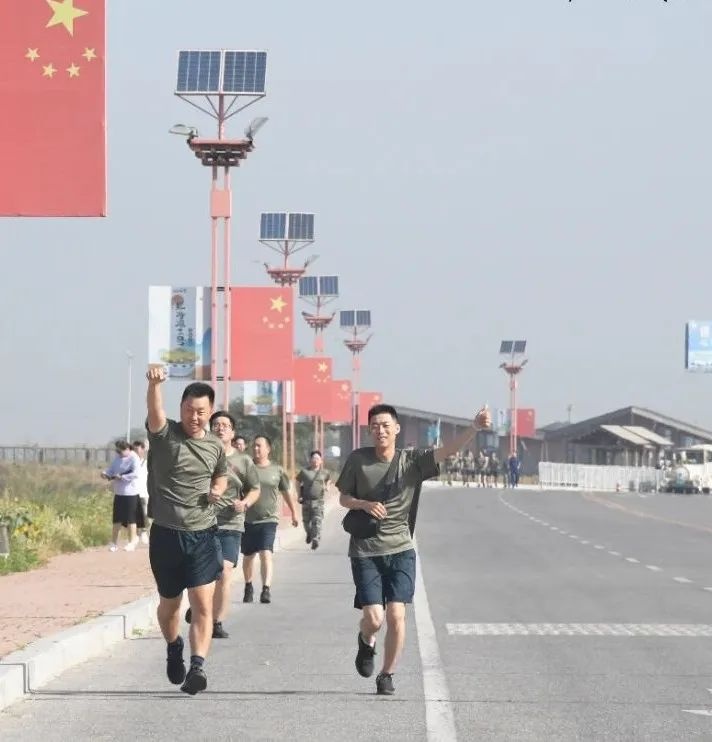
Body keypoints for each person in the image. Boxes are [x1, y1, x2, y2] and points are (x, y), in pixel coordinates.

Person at [337, 403, 491, 696]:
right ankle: (366, 639)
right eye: (375, 426)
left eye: (385, 425)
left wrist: (474, 427)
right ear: (369, 430)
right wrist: (363, 504)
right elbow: (343, 498)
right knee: (375, 619)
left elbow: (447, 451)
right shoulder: (358, 459)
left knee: (396, 615)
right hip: (365, 550)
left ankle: (387, 674)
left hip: (401, 550)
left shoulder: (412, 461)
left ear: (396, 429)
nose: (380, 430)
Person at [145, 368, 228, 696]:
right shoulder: (164, 435)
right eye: (189, 410)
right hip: (166, 534)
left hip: (203, 533)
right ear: (180, 408)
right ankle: (173, 645)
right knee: (170, 606)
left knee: (202, 602)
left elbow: (221, 474)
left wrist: (218, 489)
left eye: (201, 412)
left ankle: (197, 667)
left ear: (210, 412)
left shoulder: (215, 446)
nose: (194, 417)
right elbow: (155, 411)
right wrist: (154, 385)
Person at [185, 411, 261, 638]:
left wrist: (245, 503)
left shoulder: (243, 461)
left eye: (225, 425)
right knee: (203, 573)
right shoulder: (200, 454)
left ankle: (216, 621)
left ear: (233, 432)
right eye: (216, 424)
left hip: (231, 523)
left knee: (225, 571)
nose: (220, 428)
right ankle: (201, 607)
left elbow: (254, 489)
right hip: (202, 521)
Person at [242, 435, 298, 604]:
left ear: (268, 449)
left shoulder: (277, 470)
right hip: (247, 520)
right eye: (254, 446)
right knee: (248, 557)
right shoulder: (246, 468)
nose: (256, 449)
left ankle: (266, 589)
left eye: (259, 446)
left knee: (266, 553)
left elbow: (286, 492)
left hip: (269, 519)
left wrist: (294, 512)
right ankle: (248, 586)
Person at [101, 440, 142, 552]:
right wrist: (106, 473)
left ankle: (132, 542)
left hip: (130, 493)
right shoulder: (118, 458)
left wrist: (122, 477)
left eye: (121, 451)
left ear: (128, 449)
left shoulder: (134, 458)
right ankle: (114, 543)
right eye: (117, 451)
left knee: (131, 519)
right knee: (117, 519)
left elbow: (135, 473)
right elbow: (112, 469)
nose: (119, 453)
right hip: (119, 492)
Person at [296, 450, 331, 550]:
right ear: (310, 460)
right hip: (306, 501)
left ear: (321, 461)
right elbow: (297, 481)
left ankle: (316, 539)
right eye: (313, 458)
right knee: (306, 522)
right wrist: (299, 495)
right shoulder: (304, 472)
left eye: (317, 458)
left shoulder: (324, 472)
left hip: (318, 502)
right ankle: (309, 533)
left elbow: (329, 479)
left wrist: (327, 486)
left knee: (317, 521)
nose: (315, 460)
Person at [132, 439, 150, 545]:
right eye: (133, 449)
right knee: (133, 515)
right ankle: (136, 534)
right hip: (133, 492)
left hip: (144, 492)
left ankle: (144, 531)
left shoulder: (147, 463)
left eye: (137, 449)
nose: (135, 451)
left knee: (145, 513)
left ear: (143, 450)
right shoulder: (131, 463)